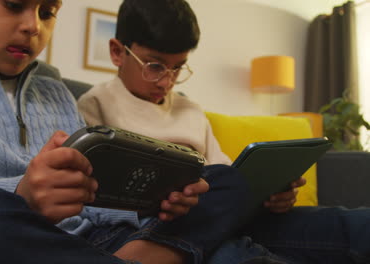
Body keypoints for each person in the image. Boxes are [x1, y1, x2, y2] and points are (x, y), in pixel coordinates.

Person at [0, 0, 253, 263]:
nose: (32, 26)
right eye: (14, 4)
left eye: (47, 11)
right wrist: (21, 193)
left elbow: (93, 199)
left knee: (225, 180)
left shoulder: (57, 93)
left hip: (101, 240)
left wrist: (153, 204)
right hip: (16, 241)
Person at [77, 0, 370, 263]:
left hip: (226, 214)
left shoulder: (190, 110)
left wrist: (270, 195)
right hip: (161, 226)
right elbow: (92, 201)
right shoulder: (93, 105)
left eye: (178, 68)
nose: (166, 81)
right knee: (229, 246)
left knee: (350, 224)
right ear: (117, 52)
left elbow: (225, 175)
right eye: (155, 66)